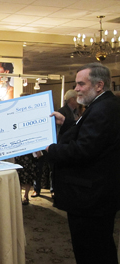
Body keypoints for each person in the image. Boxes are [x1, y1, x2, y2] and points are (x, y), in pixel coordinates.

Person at [46, 63, 120, 264]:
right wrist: (68, 122)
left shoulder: (102, 109)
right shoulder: (103, 105)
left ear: (99, 85)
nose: (76, 89)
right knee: (98, 246)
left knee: (92, 250)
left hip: (91, 198)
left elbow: (83, 150)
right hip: (95, 195)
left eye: (80, 84)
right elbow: (91, 137)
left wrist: (50, 149)